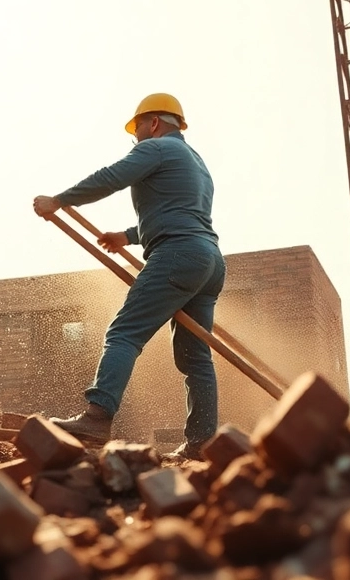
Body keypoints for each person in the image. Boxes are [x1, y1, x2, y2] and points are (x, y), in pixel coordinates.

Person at [32, 93, 225, 460]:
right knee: (196, 358)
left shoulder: (157, 148)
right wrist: (129, 236)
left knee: (123, 333)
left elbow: (112, 177)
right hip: (209, 259)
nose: (135, 138)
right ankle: (202, 443)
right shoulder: (195, 162)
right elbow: (178, 211)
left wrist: (60, 200)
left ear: (153, 123)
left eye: (137, 130)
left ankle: (96, 417)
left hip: (178, 254)